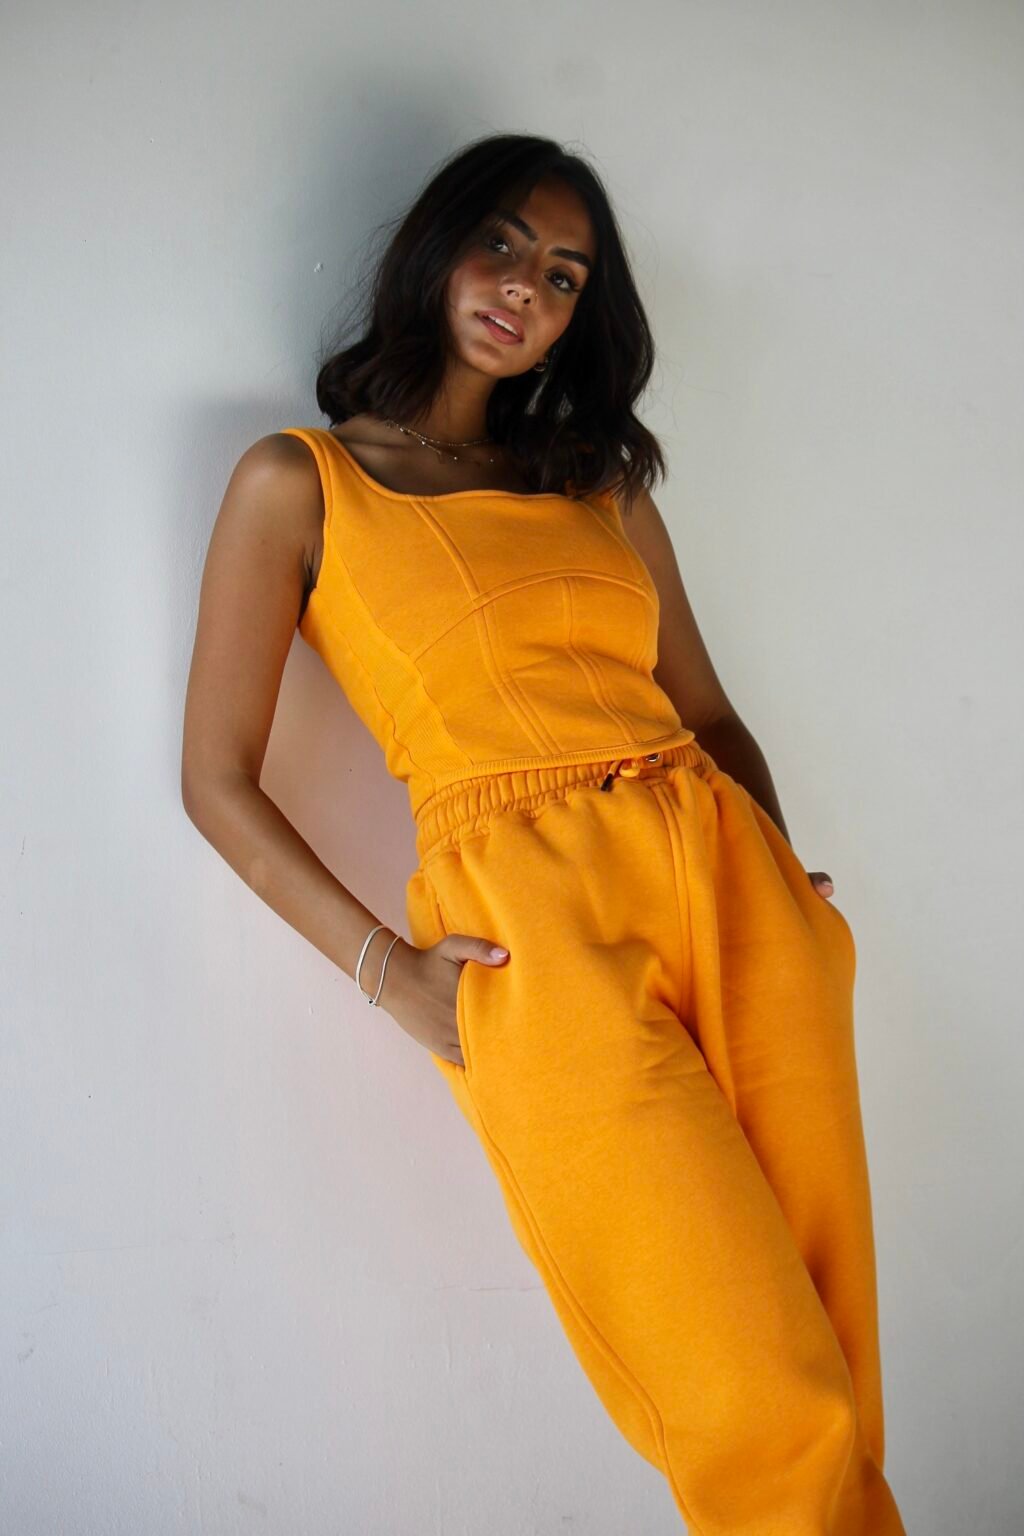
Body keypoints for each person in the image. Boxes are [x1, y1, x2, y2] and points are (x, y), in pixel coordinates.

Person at [181, 132, 907, 1533]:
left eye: (566, 275)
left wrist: (783, 872)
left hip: (739, 894)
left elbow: (706, 709)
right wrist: (390, 973)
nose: (527, 286)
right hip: (536, 931)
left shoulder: (597, 482)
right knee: (757, 1401)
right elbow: (216, 778)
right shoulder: (301, 482)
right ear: (436, 246)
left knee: (840, 1370)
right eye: (503, 242)